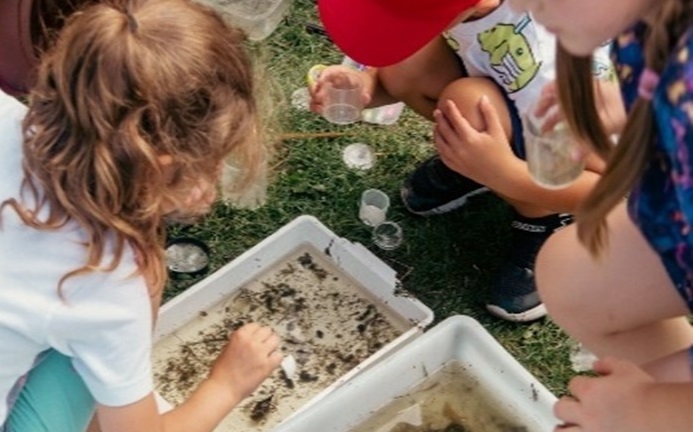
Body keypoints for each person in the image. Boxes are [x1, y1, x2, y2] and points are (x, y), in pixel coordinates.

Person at [0, 0, 283, 431]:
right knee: (144, 273)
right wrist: (227, 384)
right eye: (210, 160)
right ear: (164, 165)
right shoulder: (110, 282)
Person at [312, 0, 624, 322]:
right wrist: (365, 87)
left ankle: (547, 221)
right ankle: (480, 159)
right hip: (519, 102)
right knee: (409, 61)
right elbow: (398, 57)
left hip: (573, 160)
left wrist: (506, 173)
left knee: (464, 102)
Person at [507, 0, 693, 430]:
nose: (517, 4)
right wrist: (632, 109)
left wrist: (651, 410)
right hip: (678, 229)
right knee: (572, 276)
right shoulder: (645, 19)